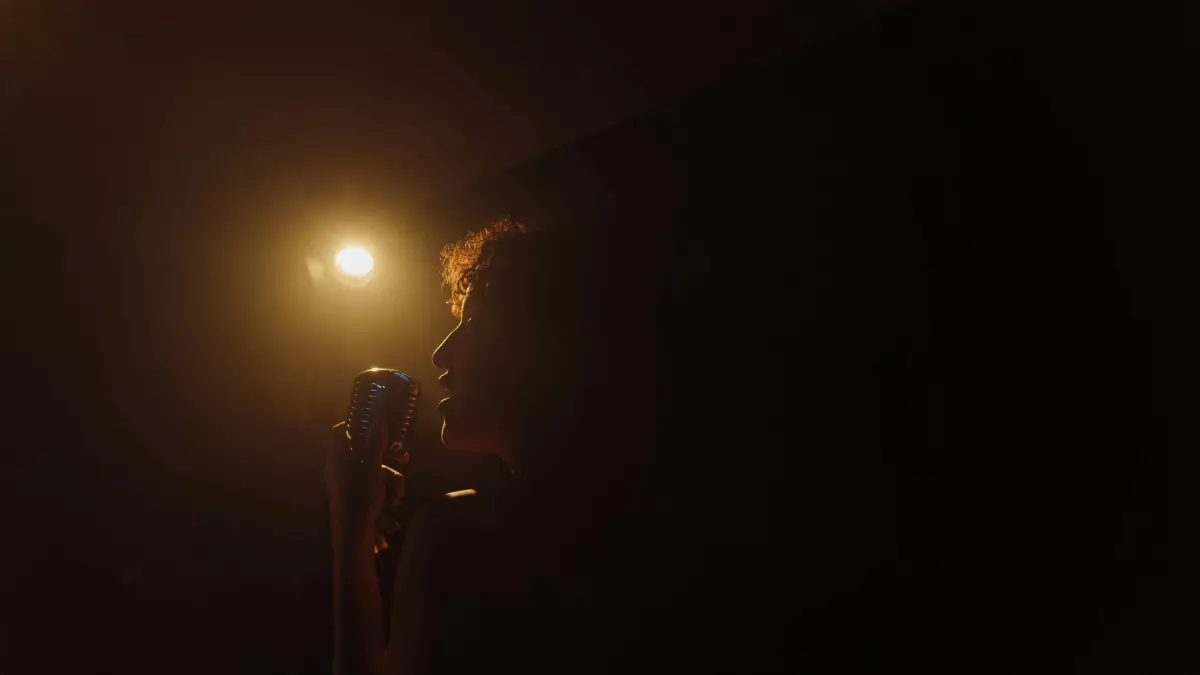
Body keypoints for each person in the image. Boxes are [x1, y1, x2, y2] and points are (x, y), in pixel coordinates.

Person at [325, 217, 662, 675]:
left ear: (544, 348)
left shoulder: (463, 531)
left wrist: (350, 528)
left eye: (474, 326)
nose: (441, 355)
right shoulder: (654, 525)